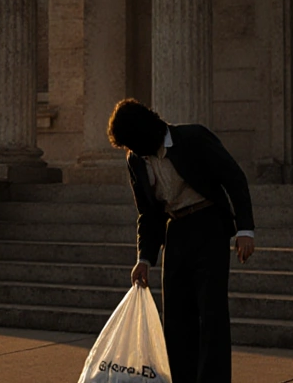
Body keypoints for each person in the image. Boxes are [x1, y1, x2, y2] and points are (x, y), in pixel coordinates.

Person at [106, 98, 255, 383]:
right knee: (176, 320)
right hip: (176, 232)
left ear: (145, 131)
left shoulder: (192, 138)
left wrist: (244, 230)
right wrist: (144, 258)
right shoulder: (136, 159)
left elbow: (233, 178)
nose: (132, 151)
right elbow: (148, 213)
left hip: (209, 225)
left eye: (133, 143)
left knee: (211, 316)